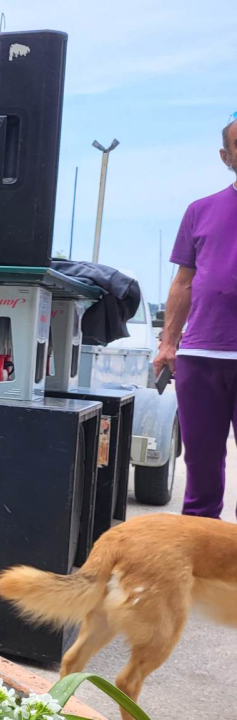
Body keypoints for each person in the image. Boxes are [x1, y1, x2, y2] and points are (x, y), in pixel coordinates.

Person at [154, 115, 237, 519]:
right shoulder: (199, 211)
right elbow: (183, 282)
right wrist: (169, 343)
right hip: (200, 355)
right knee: (201, 475)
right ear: (226, 155)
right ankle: (202, 571)